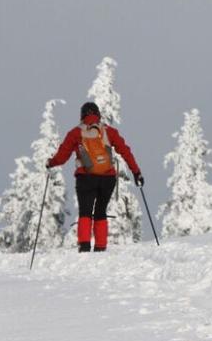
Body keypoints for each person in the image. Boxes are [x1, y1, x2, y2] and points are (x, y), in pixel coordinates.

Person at [47, 102, 143, 252]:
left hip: (86, 178)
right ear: (98, 115)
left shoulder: (75, 133)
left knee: (85, 211)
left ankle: (84, 246)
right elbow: (125, 151)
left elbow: (62, 156)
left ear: (82, 116)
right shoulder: (109, 131)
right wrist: (136, 172)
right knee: (100, 211)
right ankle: (100, 247)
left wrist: (50, 163)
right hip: (108, 178)